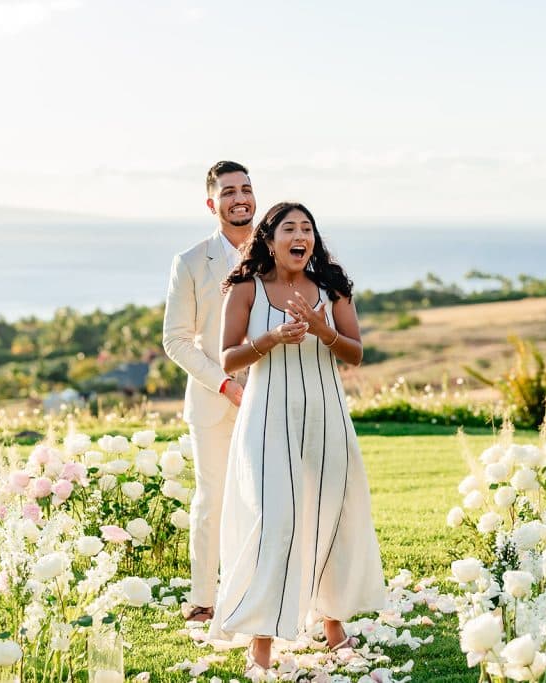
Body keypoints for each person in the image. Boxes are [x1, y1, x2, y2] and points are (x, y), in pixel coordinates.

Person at [208, 202, 386, 673]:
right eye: (289, 228)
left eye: (307, 228)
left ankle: (333, 623)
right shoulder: (246, 288)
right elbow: (228, 358)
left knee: (332, 515)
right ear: (269, 239)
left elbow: (356, 354)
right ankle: (261, 638)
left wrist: (323, 329)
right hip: (267, 418)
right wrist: (271, 339)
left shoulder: (333, 287)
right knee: (275, 520)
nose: (300, 236)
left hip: (327, 417)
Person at [163, 160, 255, 622]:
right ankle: (204, 599)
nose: (239, 198)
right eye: (228, 191)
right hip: (213, 398)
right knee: (212, 498)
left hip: (271, 395)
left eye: (246, 189)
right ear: (211, 203)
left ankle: (266, 593)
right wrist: (224, 384)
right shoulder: (191, 262)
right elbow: (176, 340)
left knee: (272, 496)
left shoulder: (277, 251)